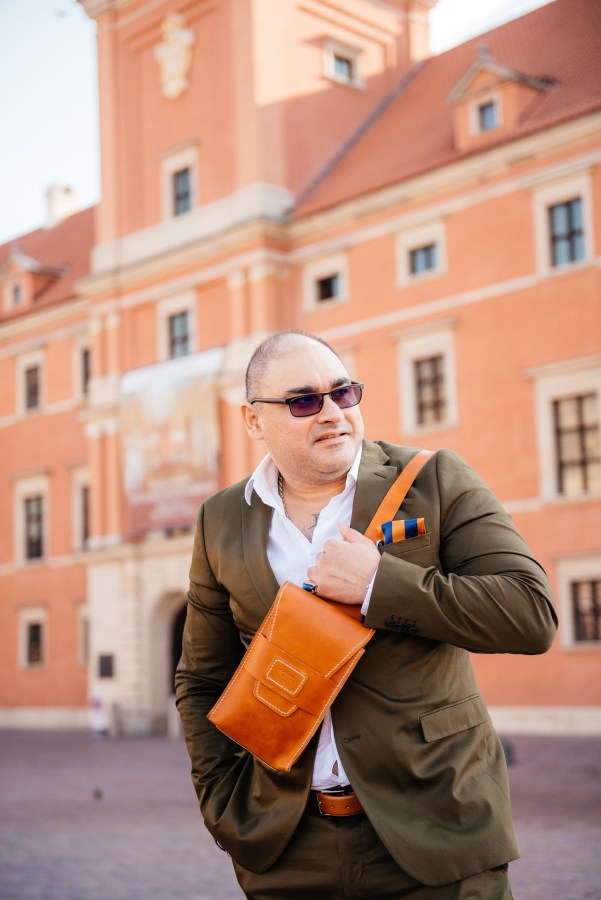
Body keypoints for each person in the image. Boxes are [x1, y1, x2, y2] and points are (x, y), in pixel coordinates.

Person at [175, 329, 556, 900]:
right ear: (254, 420)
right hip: (286, 850)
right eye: (304, 401)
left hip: (438, 833)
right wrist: (221, 801)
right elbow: (202, 678)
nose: (332, 412)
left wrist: (380, 584)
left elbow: (531, 612)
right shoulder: (221, 519)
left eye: (343, 392)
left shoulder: (434, 479)